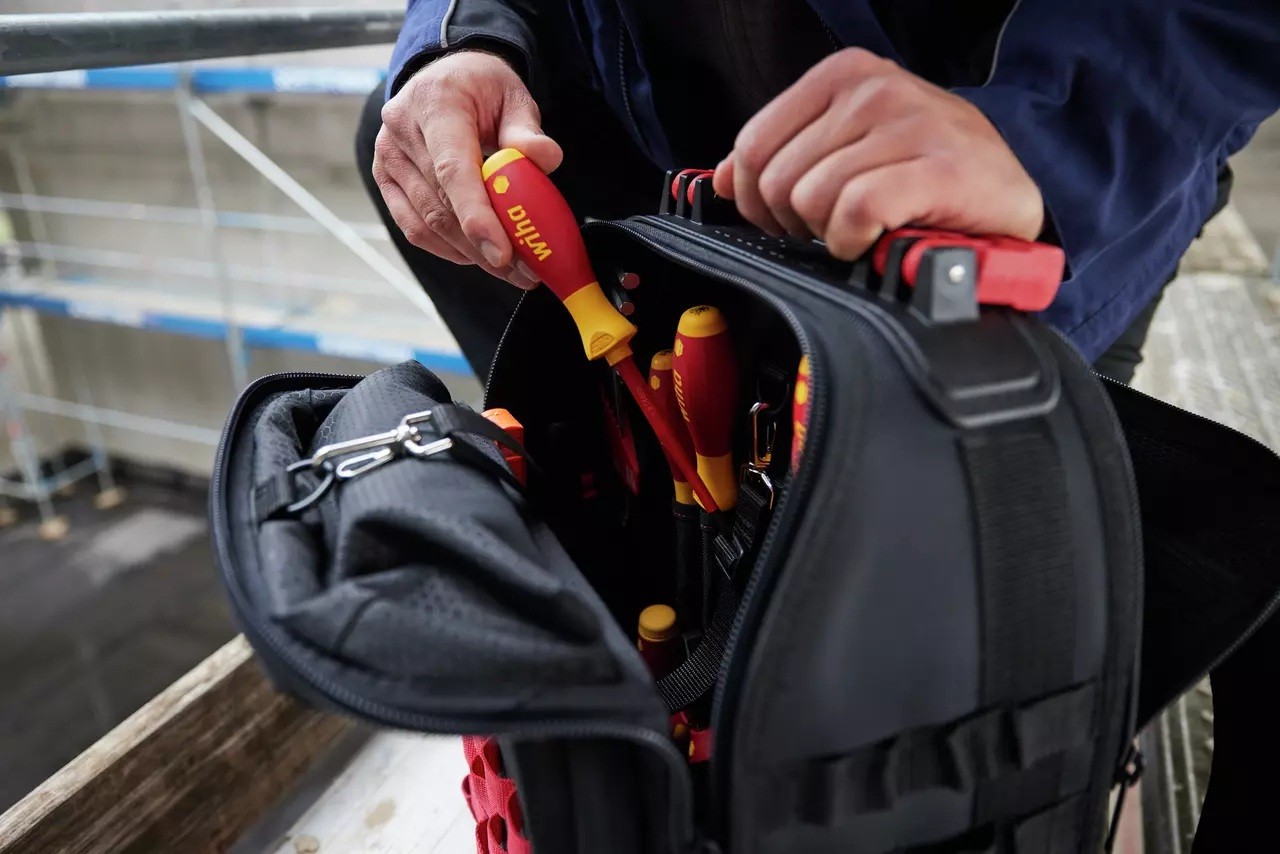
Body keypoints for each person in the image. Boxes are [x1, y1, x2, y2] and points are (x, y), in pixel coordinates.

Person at [356, 1, 1279, 383]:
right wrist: (463, 36)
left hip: (995, 218)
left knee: (990, 559)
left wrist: (1050, 134)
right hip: (671, 201)